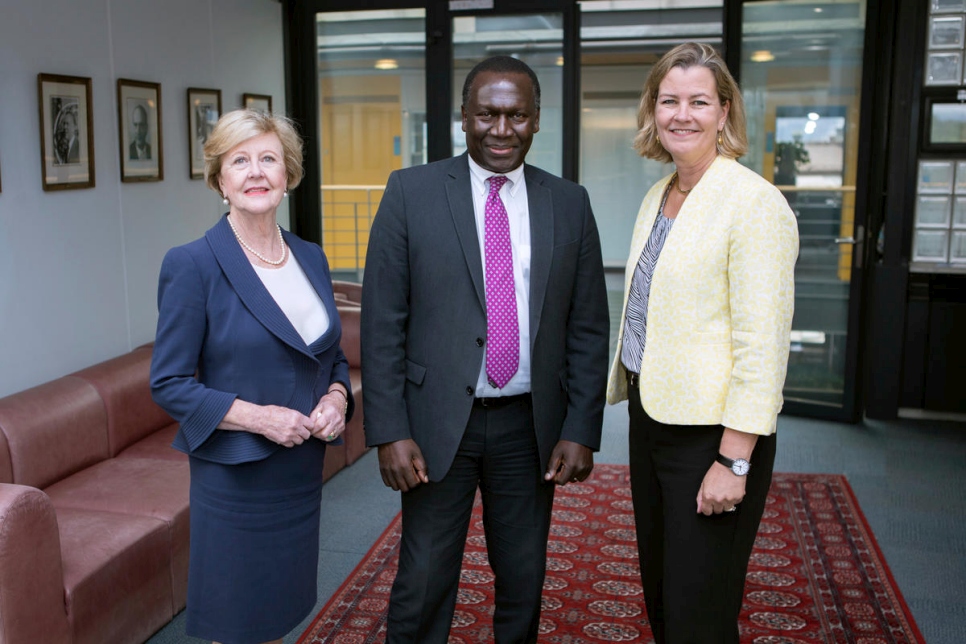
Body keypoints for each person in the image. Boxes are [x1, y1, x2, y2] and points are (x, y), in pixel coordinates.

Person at [361, 55, 609, 643]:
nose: (503, 129)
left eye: (517, 115)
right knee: (423, 577)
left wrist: (581, 427)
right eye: (488, 114)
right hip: (436, 423)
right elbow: (382, 322)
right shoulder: (410, 192)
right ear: (464, 118)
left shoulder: (568, 202)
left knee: (524, 577)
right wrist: (388, 429)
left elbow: (588, 325)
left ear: (537, 119)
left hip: (531, 426)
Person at [606, 42, 799, 643]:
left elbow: (762, 346)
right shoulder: (660, 194)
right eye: (669, 101)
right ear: (652, 111)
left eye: (698, 101)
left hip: (712, 437)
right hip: (653, 416)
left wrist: (733, 460)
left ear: (724, 113)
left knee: (701, 608)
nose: (681, 114)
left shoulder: (753, 204)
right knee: (664, 593)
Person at [150, 109, 354, 644]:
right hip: (237, 479)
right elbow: (168, 383)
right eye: (240, 161)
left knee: (280, 614)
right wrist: (260, 418)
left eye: (268, 158)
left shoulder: (309, 257)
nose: (256, 172)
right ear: (220, 179)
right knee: (237, 622)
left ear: (288, 173)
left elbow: (327, 354)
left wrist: (337, 396)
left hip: (299, 472)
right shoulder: (192, 264)